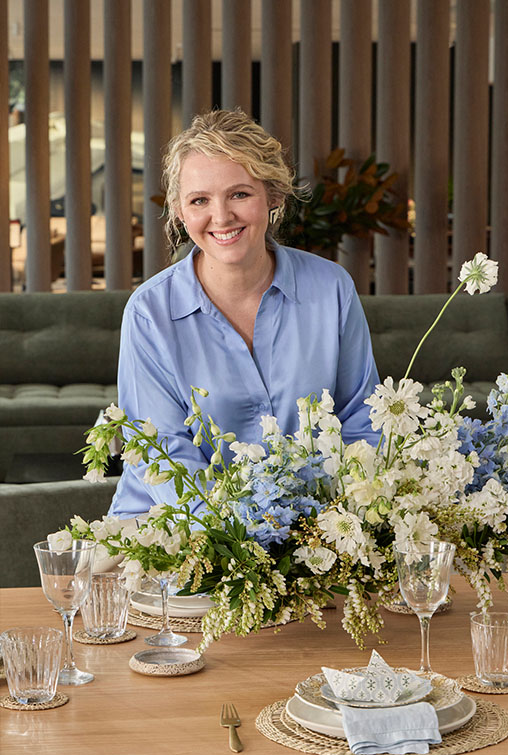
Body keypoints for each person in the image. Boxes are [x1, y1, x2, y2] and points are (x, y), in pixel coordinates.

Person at [109, 109, 379, 519]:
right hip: (182, 532)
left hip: (314, 532)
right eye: (200, 200)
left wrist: (328, 521)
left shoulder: (332, 289)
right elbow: (163, 453)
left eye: (239, 194)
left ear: (272, 196)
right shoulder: (149, 313)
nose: (221, 217)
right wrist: (248, 534)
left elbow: (362, 419)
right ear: (180, 211)